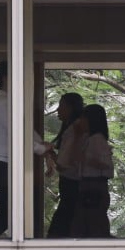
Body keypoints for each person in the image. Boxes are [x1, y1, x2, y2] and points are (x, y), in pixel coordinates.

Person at [0, 61, 52, 239]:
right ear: (6, 78)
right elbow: (18, 134)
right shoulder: (5, 102)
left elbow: (24, 130)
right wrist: (40, 148)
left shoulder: (3, 101)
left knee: (6, 213)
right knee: (6, 214)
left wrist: (41, 145)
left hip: (3, 163)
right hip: (5, 164)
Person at [71, 104, 113, 238]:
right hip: (88, 184)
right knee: (86, 224)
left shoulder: (98, 140)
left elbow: (105, 165)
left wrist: (87, 159)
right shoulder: (88, 139)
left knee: (94, 224)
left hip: (94, 185)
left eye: (84, 118)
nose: (81, 122)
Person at [46, 92, 85, 238]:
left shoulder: (74, 130)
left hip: (72, 185)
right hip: (73, 185)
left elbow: (63, 164)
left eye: (61, 105)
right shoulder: (74, 128)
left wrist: (49, 152)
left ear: (71, 108)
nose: (58, 110)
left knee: (60, 229)